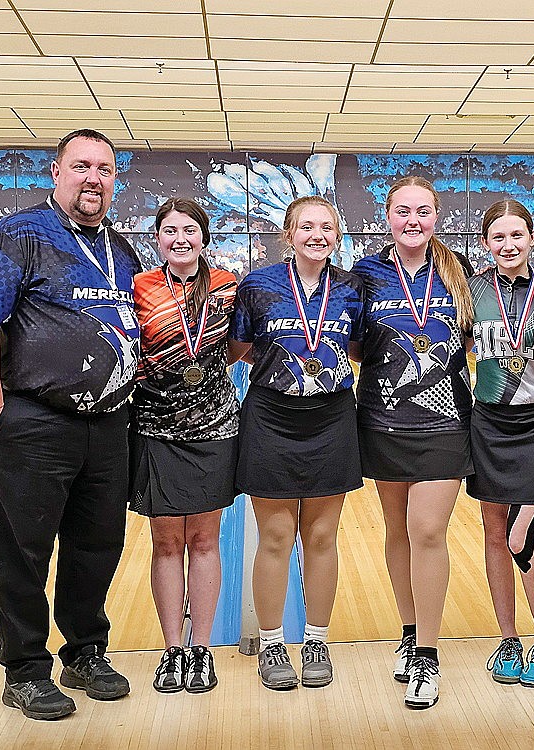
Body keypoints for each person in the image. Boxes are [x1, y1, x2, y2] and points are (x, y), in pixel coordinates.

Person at [0, 129, 140, 720]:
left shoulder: (121, 249)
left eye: (106, 169)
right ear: (56, 172)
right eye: (82, 166)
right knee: (23, 550)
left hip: (109, 424)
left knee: (97, 546)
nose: (95, 178)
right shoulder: (17, 235)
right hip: (36, 421)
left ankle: (85, 652)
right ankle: (26, 669)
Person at [351, 175, 474, 710]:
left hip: (445, 422)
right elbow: (352, 344)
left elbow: (468, 341)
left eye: (423, 212)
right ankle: (407, 629)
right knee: (397, 530)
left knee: (427, 531)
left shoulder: (456, 272)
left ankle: (427, 651)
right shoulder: (365, 275)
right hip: (383, 420)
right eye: (403, 211)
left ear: (436, 216)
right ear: (388, 216)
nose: (413, 221)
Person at [232, 196, 364, 691]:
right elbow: (241, 348)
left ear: (338, 234)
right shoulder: (259, 285)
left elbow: (356, 346)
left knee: (323, 537)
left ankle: (315, 640)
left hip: (331, 417)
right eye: (306, 227)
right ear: (288, 234)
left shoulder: (351, 288)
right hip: (272, 417)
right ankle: (271, 645)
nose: (317, 235)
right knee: (275, 537)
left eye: (327, 227)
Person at [129, 198, 239, 695]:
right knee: (166, 542)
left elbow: (240, 347)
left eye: (189, 230)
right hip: (157, 427)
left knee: (205, 540)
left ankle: (202, 650)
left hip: (215, 428)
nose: (180, 238)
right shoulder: (141, 288)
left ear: (204, 237)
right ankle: (172, 650)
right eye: (169, 230)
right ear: (157, 239)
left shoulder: (227, 287)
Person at [467, 199, 534, 688]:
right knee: (493, 533)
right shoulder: (471, 291)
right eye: (497, 237)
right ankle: (508, 638)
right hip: (488, 421)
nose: (508, 246)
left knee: (520, 537)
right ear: (486, 243)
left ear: (533, 238)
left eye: (517, 236)